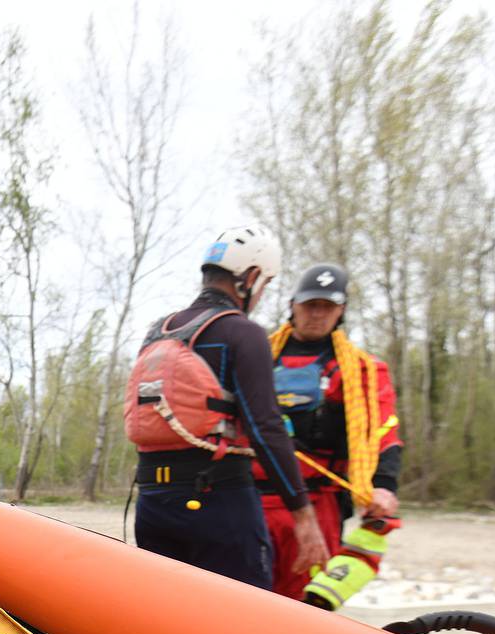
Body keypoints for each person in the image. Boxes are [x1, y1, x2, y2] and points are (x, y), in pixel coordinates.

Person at [123, 225, 326, 588]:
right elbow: (266, 427)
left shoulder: (157, 331)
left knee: (166, 616)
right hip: (219, 507)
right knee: (247, 621)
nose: (261, 294)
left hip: (152, 504)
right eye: (264, 285)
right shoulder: (242, 332)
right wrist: (303, 515)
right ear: (249, 278)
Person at [265, 263, 404, 607]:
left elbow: (382, 429)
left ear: (340, 311)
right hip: (249, 499)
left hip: (317, 502)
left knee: (299, 604)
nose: (317, 314)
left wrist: (384, 485)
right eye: (310, 304)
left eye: (327, 307)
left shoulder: (362, 370)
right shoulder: (256, 358)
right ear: (293, 304)